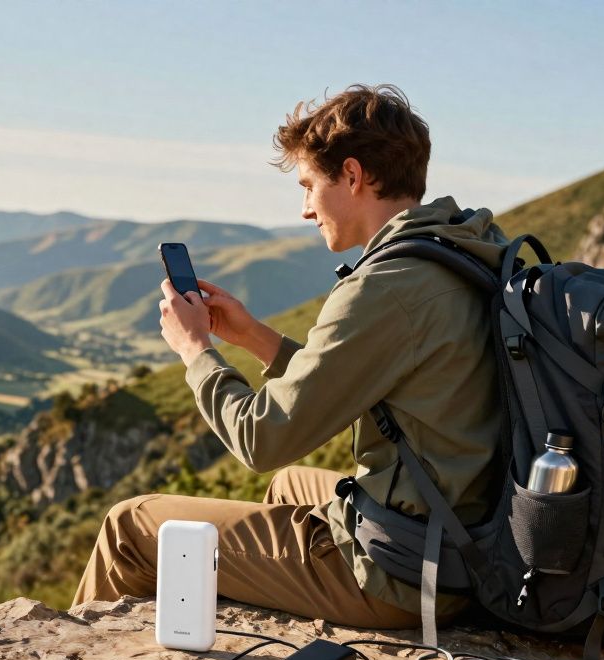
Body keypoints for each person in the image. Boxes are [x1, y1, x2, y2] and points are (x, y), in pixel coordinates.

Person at [71, 83, 508, 630]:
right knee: (292, 486)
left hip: (406, 573)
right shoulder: (467, 251)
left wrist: (196, 352)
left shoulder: (387, 287)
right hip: (472, 533)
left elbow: (263, 440)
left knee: (128, 526)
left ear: (352, 175)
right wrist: (254, 336)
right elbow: (356, 381)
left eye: (308, 186)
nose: (304, 210)